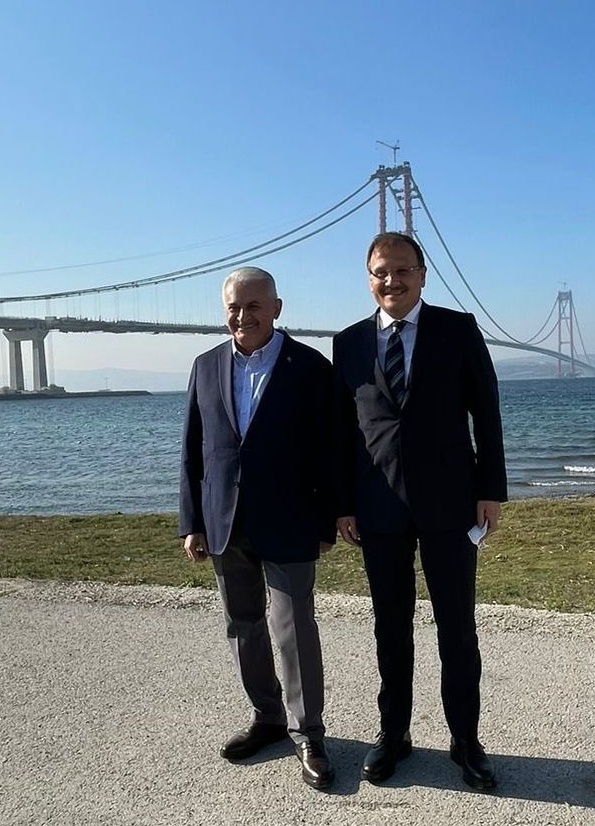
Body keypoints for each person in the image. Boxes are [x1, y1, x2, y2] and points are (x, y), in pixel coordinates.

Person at [332, 232, 507, 791]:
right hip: (377, 505)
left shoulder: (458, 329)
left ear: (423, 274)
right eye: (381, 272)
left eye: (403, 270)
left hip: (451, 503)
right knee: (390, 628)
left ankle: (465, 741)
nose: (392, 281)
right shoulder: (348, 342)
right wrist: (342, 503)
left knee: (457, 628)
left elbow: (487, 412)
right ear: (369, 278)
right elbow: (342, 431)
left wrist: (491, 490)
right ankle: (394, 734)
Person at [179, 266, 338, 790]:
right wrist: (192, 522)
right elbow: (194, 450)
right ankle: (267, 717)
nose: (242, 316)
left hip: (291, 520)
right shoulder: (205, 366)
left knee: (293, 628)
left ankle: (308, 732)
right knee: (242, 625)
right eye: (234, 307)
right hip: (225, 521)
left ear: (276, 308)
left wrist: (327, 520)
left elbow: (329, 450)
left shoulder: (310, 366)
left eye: (253, 306)